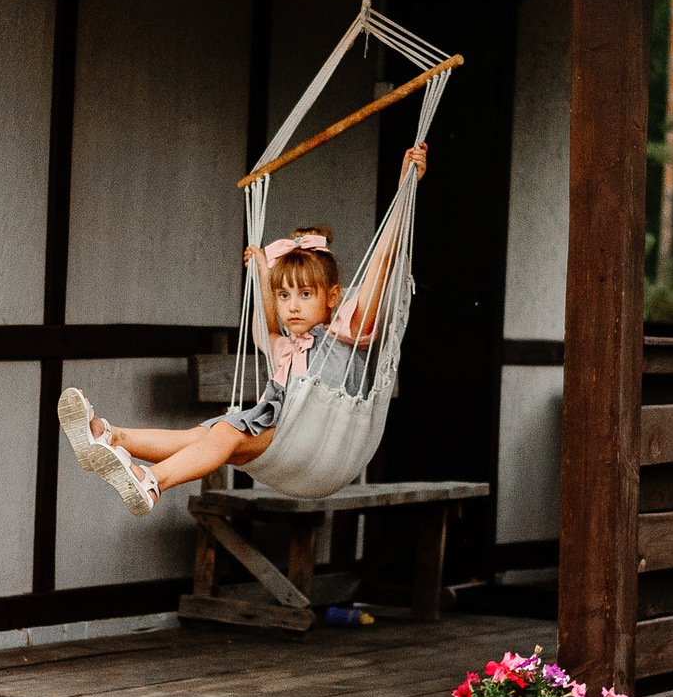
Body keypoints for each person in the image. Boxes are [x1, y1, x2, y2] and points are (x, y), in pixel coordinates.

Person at [58, 143, 426, 514]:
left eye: (305, 294)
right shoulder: (286, 347)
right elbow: (267, 330)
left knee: (225, 433)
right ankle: (108, 435)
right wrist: (264, 275)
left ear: (332, 297)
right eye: (284, 295)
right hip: (279, 436)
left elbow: (380, 266)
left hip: (314, 442)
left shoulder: (348, 332)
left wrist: (403, 191)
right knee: (204, 435)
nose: (292, 305)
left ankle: (153, 482)